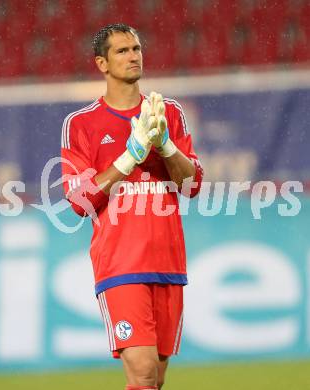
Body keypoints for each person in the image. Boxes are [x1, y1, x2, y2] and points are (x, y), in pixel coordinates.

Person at [61, 23, 203, 390]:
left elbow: (193, 185)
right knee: (141, 374)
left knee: (155, 377)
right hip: (121, 263)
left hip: (168, 260)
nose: (133, 56)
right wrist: (131, 155)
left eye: (136, 48)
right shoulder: (81, 124)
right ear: (102, 64)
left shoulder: (166, 113)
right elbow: (79, 202)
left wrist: (165, 147)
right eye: (122, 51)